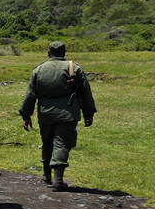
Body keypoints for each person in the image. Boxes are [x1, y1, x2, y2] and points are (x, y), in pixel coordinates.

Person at [19, 41, 97, 191]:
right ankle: (58, 180)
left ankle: (46, 176)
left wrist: (26, 115)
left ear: (49, 53)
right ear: (64, 52)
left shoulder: (39, 70)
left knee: (47, 142)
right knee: (61, 143)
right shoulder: (74, 68)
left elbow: (30, 94)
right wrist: (89, 113)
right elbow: (86, 93)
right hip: (68, 113)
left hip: (45, 113)